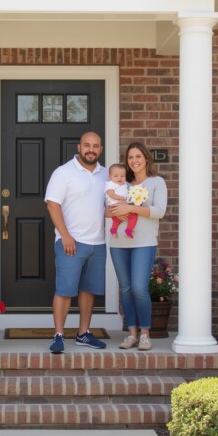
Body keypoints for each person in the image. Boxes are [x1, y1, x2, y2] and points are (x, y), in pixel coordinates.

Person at [45, 132, 108, 354]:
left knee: (89, 290)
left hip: (98, 243)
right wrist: (65, 235)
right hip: (70, 242)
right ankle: (59, 335)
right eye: (87, 145)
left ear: (100, 149)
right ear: (79, 147)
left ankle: (83, 333)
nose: (91, 149)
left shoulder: (107, 174)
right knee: (64, 290)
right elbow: (52, 204)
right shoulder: (63, 172)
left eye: (95, 146)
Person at [106, 141, 167, 351]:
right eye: (130, 157)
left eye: (138, 156)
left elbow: (159, 211)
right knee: (125, 289)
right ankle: (132, 333)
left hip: (144, 242)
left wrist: (131, 208)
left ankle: (145, 335)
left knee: (139, 288)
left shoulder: (156, 182)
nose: (134, 161)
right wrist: (117, 209)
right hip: (118, 243)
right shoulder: (122, 183)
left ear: (146, 158)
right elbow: (106, 210)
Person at [105, 163, 139, 239]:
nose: (119, 178)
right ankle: (119, 229)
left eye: (122, 176)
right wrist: (121, 198)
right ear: (110, 177)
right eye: (116, 176)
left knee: (128, 217)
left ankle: (126, 230)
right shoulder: (110, 184)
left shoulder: (125, 185)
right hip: (114, 205)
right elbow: (111, 194)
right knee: (128, 217)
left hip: (123, 205)